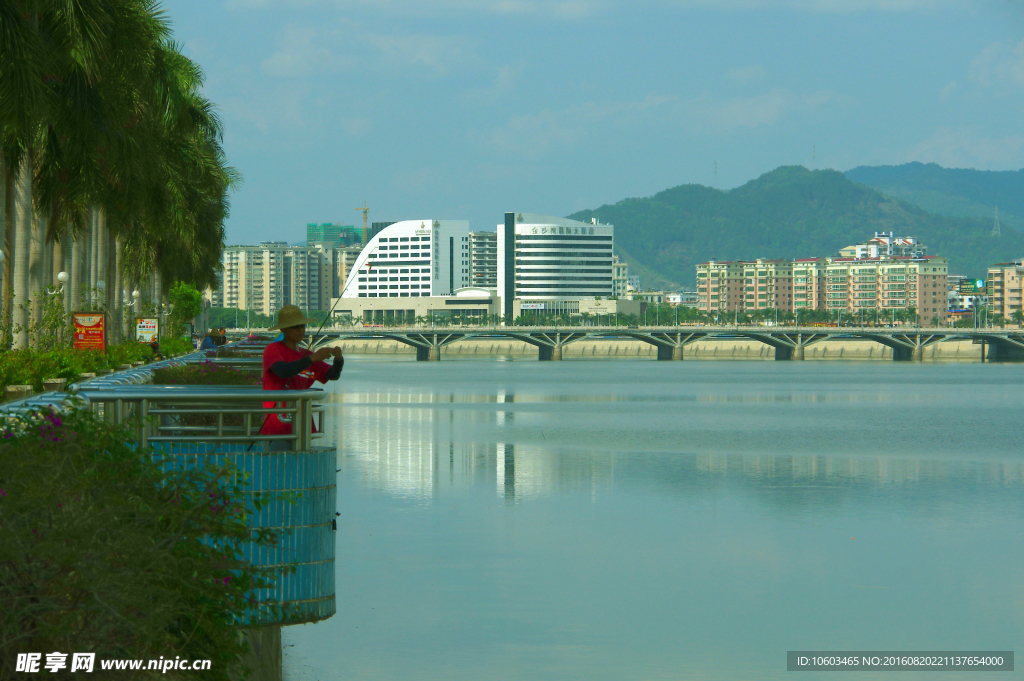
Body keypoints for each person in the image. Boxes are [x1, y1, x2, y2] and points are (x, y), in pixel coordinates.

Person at [260, 305, 343, 451]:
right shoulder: (273, 349)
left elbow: (332, 375)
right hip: (277, 426)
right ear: (283, 329)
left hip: (302, 426)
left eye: (303, 326)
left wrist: (338, 360)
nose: (301, 330)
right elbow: (283, 371)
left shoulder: (306, 354)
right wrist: (312, 358)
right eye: (295, 327)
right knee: (278, 469)